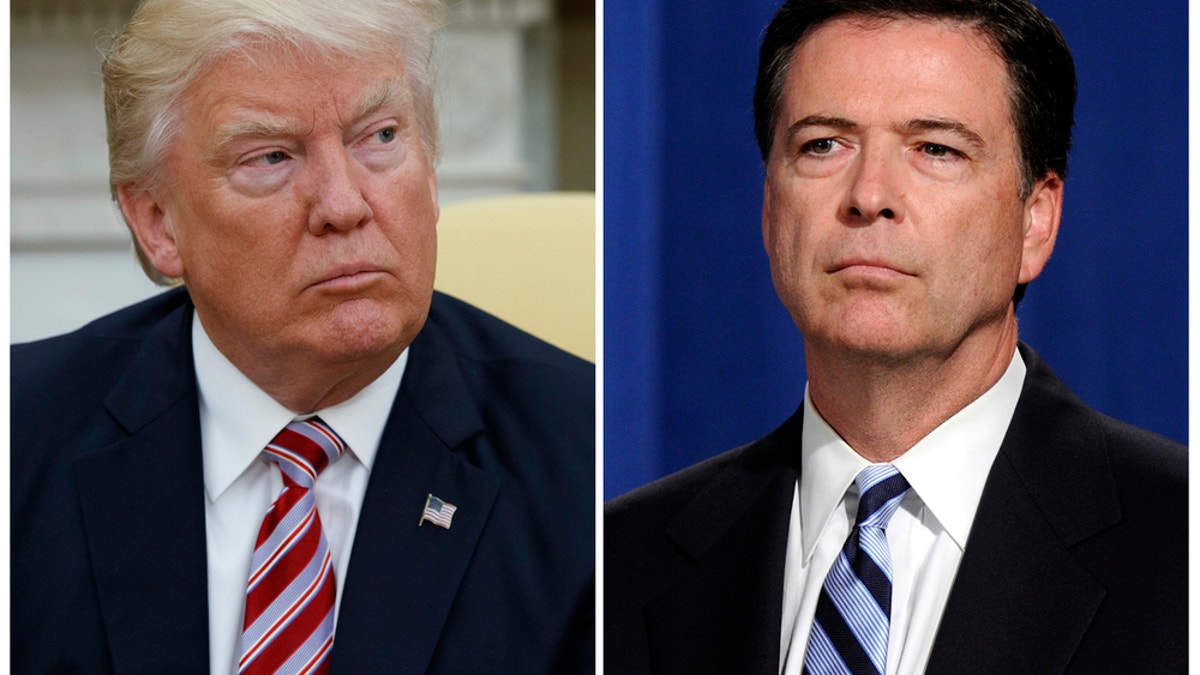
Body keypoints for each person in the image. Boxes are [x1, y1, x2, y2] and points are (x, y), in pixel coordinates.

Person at [11, 1, 594, 673]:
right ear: (157, 222)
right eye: (272, 157)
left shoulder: (585, 462)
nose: (344, 205)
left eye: (379, 137)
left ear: (430, 173)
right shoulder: (20, 440)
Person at [604, 0, 1186, 673]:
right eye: (823, 144)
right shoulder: (621, 557)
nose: (869, 194)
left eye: (936, 149)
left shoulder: (1181, 544)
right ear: (770, 209)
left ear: (1035, 221)